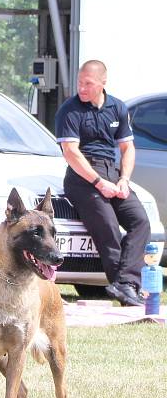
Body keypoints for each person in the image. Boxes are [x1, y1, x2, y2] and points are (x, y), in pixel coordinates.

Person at [55, 60, 149, 307]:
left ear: (103, 83)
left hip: (112, 172)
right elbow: (71, 152)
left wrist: (124, 180)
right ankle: (127, 291)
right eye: (79, 82)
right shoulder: (70, 109)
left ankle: (126, 284)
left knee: (140, 221)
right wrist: (99, 183)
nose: (82, 88)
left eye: (88, 83)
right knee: (108, 228)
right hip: (82, 176)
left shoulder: (117, 107)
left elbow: (127, 148)